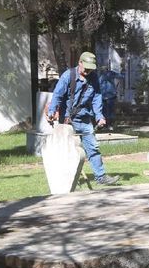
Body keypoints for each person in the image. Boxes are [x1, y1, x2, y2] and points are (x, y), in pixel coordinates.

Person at [47, 52, 120, 186]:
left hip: (85, 118)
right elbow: (57, 94)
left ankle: (101, 177)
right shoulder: (68, 76)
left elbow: (97, 97)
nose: (88, 71)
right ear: (80, 63)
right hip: (67, 119)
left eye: (90, 68)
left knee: (93, 148)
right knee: (67, 150)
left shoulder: (93, 78)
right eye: (86, 67)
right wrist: (52, 111)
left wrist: (99, 116)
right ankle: (64, 177)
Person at [97, 66, 123, 132]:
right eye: (103, 70)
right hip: (102, 96)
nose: (104, 71)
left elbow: (120, 76)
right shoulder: (99, 75)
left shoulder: (110, 74)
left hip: (110, 96)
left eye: (105, 69)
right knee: (104, 111)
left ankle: (110, 125)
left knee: (110, 112)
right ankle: (105, 125)